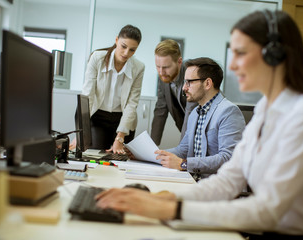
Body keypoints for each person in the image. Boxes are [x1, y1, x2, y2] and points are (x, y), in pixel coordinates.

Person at [95, 10, 303, 239]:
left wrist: (173, 209)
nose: (232, 66)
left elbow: (267, 210)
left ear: (274, 55)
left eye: (241, 53)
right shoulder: (265, 110)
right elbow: (228, 180)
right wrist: (164, 200)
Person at [155, 57, 245, 180]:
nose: (184, 88)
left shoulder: (229, 112)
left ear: (207, 83)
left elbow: (228, 158)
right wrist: (152, 155)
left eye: (189, 82)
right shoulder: (195, 114)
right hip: (194, 182)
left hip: (216, 187)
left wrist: (183, 164)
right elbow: (183, 150)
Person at [81, 24, 145, 154]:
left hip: (123, 119)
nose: (126, 53)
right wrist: (81, 133)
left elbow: (131, 104)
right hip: (98, 116)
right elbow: (88, 96)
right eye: (123, 46)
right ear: (116, 40)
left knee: (119, 158)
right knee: (95, 155)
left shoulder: (139, 67)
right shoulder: (97, 58)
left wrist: (120, 137)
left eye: (132, 50)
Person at [151, 39, 198, 146]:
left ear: (179, 62)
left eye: (166, 67)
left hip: (205, 131)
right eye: (158, 67)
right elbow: (160, 111)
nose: (161, 72)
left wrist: (182, 147)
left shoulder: (193, 73)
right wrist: (152, 147)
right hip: (187, 132)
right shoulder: (163, 77)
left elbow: (191, 111)